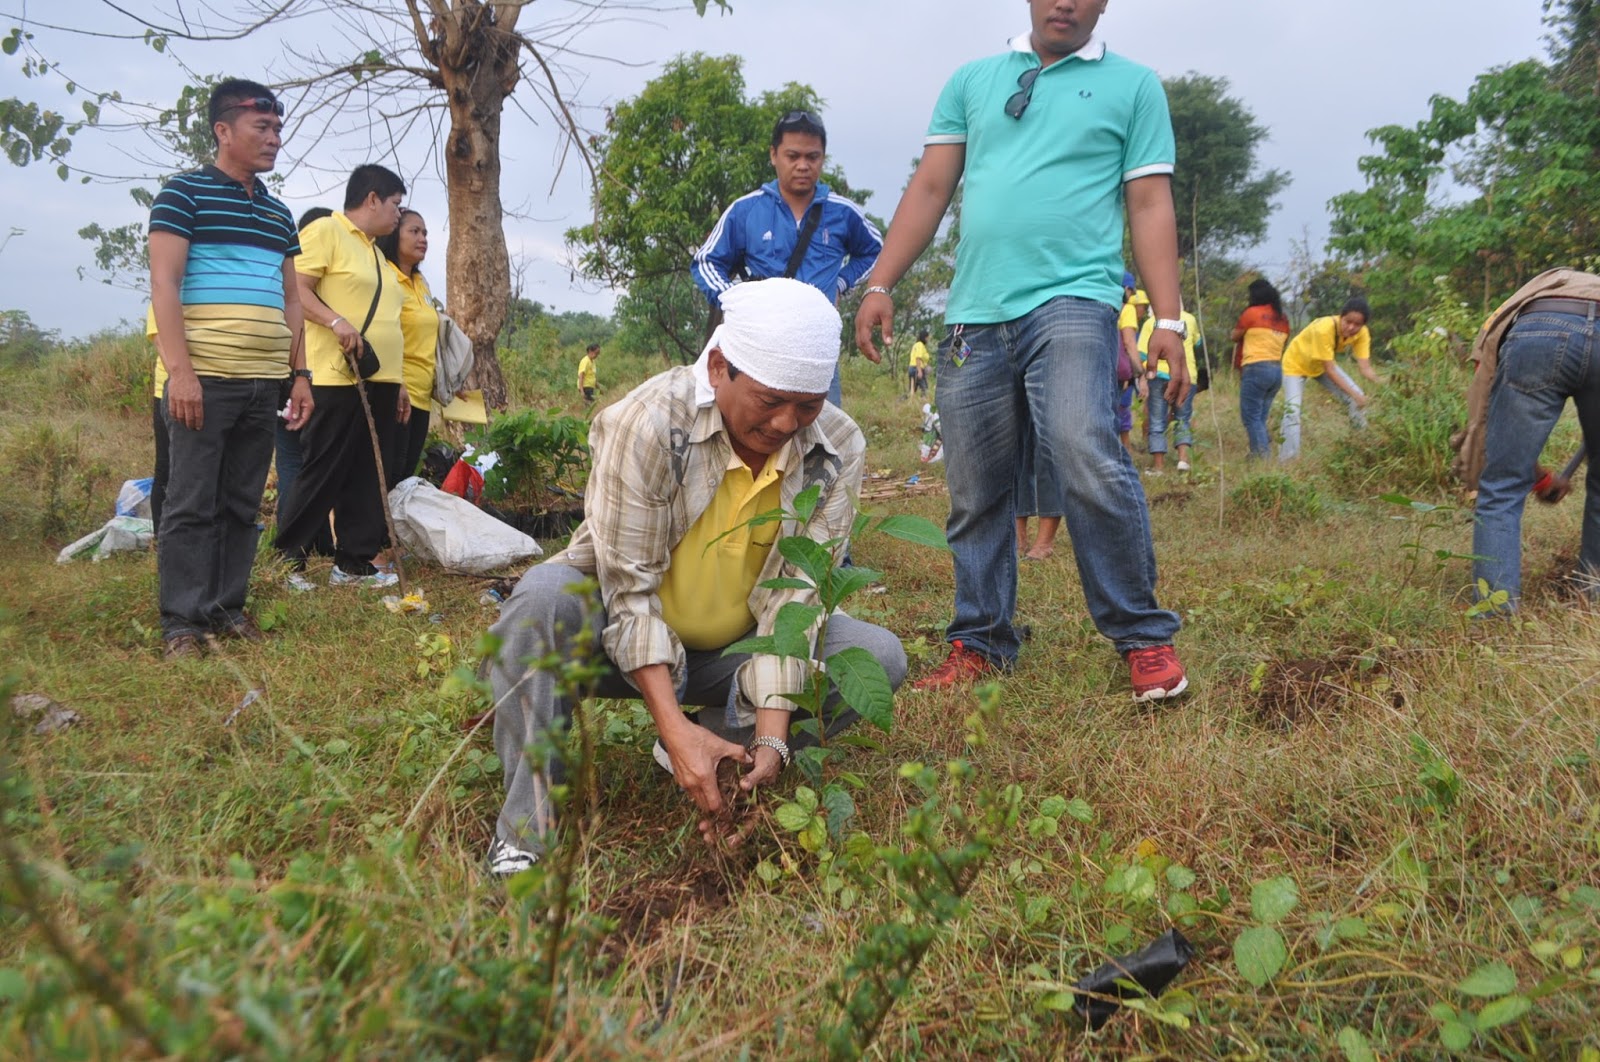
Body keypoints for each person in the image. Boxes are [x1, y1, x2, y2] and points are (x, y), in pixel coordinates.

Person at [485, 279, 907, 874]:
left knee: (876, 656)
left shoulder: (836, 445)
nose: (788, 423)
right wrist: (672, 724)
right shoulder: (651, 423)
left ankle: (729, 750)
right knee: (540, 602)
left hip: (735, 650)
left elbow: (799, 598)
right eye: (769, 401)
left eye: (807, 405)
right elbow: (629, 594)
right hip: (616, 635)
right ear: (717, 367)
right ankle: (526, 832)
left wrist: (773, 733)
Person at [855, 0, 1191, 701]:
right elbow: (932, 185)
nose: (1064, 2)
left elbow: (1150, 203)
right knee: (975, 488)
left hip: (1074, 300)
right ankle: (981, 641)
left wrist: (1170, 319)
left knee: (1082, 446)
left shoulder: (1134, 86)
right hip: (974, 314)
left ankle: (1142, 636)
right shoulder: (973, 80)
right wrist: (881, 281)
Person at [147, 78, 309, 660]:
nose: (274, 140)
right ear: (223, 130)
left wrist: (300, 375)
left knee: (242, 501)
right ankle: (181, 625)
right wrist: (181, 371)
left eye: (277, 129)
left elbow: (292, 300)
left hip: (264, 381)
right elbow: (164, 283)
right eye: (261, 128)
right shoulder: (182, 195)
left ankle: (225, 608)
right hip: (204, 378)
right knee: (191, 502)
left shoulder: (278, 213)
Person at [274, 164, 407, 590]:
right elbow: (296, 289)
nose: (398, 215)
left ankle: (352, 562)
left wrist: (399, 379)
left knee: (367, 474)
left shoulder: (373, 251)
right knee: (322, 470)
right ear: (372, 199)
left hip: (379, 381)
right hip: (336, 377)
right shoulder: (327, 231)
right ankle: (284, 561)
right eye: (395, 205)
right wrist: (335, 323)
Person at [692, 110, 883, 407]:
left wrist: (842, 282)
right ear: (773, 155)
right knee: (757, 429)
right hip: (760, 346)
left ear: (823, 157)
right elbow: (706, 261)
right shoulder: (746, 210)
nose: (803, 166)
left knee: (823, 438)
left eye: (813, 157)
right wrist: (734, 299)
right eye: (792, 156)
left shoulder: (842, 212)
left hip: (817, 349)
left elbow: (877, 250)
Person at [1455, 269, 1600, 610]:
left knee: (1502, 486)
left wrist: (1529, 475)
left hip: (1539, 337)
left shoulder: (1511, 312)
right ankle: (1593, 599)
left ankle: (1495, 615)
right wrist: (1544, 478)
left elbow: (1484, 418)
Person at [376, 208, 439, 483]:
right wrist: (396, 381)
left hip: (422, 394)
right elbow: (381, 332)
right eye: (414, 231)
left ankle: (392, 528)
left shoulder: (420, 283)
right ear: (393, 235)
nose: (422, 238)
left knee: (405, 477)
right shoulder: (385, 276)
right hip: (396, 392)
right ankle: (376, 527)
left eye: (425, 232)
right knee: (388, 475)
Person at [276, 206, 334, 507]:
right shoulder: (315, 277)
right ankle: (301, 540)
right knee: (299, 460)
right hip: (309, 375)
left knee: (293, 460)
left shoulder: (287, 271)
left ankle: (299, 541)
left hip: (292, 373)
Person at [1279, 296, 1379, 462]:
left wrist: (1385, 384)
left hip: (1320, 364)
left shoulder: (1362, 334)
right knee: (1293, 412)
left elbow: (1365, 368)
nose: (1351, 327)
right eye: (1348, 322)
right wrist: (1355, 395)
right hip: (1295, 365)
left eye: (1357, 324)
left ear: (1363, 325)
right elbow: (1331, 371)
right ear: (1341, 316)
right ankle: (1288, 461)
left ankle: (1362, 449)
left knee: (1358, 400)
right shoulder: (1324, 328)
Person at [1232, 277, 1291, 459]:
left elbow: (1235, 336)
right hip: (1276, 371)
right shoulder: (1283, 318)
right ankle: (1257, 453)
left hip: (1256, 368)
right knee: (1260, 417)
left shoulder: (1251, 313)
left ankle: (1263, 457)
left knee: (1251, 417)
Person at [1139, 305, 1202, 473]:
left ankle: (1159, 467)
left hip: (1159, 376)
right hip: (1186, 374)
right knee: (1183, 419)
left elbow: (1143, 354)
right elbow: (1198, 343)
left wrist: (1143, 378)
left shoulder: (1151, 323)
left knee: (1157, 420)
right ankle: (1183, 461)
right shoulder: (1190, 319)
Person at [1117, 285, 1151, 456]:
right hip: (1121, 371)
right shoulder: (1127, 310)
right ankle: (1124, 449)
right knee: (1122, 407)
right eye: (1142, 306)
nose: (1143, 310)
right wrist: (1139, 375)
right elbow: (1129, 345)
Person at [908, 329, 932, 394]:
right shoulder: (920, 345)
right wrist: (919, 371)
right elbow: (918, 358)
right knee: (924, 389)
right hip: (916, 368)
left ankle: (905, 401)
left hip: (913, 368)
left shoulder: (917, 345)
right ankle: (924, 402)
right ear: (924, 337)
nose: (928, 339)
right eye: (927, 337)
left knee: (912, 390)